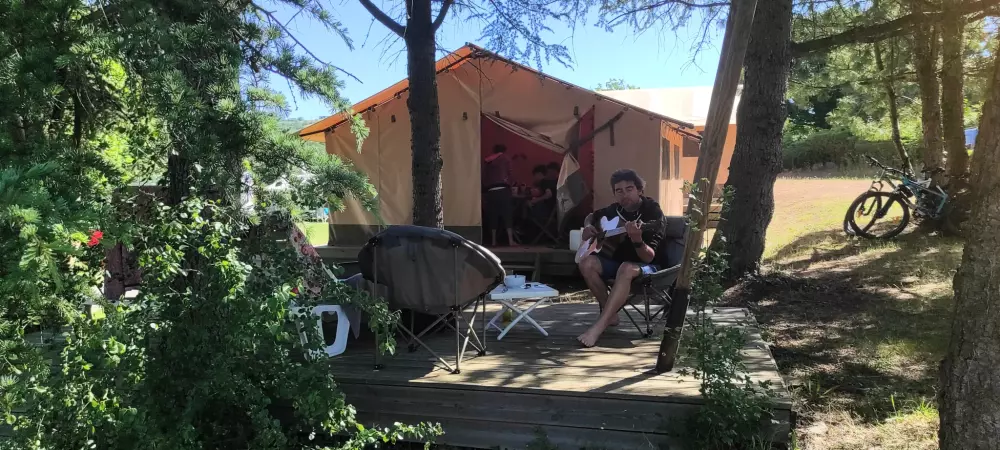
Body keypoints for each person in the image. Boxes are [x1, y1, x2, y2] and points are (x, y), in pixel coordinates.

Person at [576, 169, 667, 347]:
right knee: (586, 263)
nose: (624, 194)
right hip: (618, 263)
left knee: (626, 267)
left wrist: (637, 240)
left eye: (629, 189)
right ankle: (611, 315)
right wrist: (587, 226)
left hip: (652, 267)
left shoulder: (652, 212)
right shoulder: (615, 210)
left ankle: (598, 327)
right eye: (619, 191)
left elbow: (649, 258)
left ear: (640, 190)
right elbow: (591, 216)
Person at [482, 144, 516, 246]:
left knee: (493, 215)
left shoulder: (488, 160)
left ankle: (493, 241)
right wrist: (511, 184)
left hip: (491, 191)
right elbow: (510, 174)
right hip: (503, 189)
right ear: (504, 150)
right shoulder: (505, 158)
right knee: (507, 214)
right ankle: (510, 240)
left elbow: (483, 176)